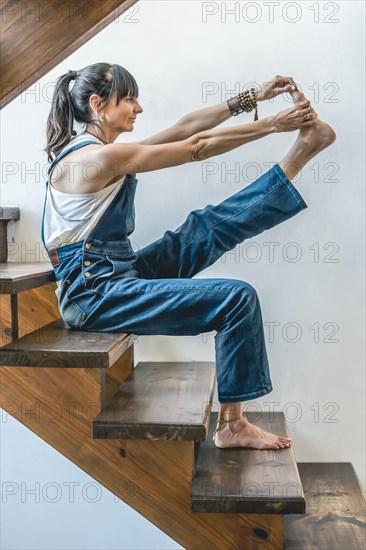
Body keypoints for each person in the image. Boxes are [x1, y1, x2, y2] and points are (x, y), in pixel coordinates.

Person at [42, 62, 336, 450]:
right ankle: (232, 424)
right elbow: (196, 147)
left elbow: (185, 129)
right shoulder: (91, 161)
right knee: (236, 298)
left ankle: (299, 155)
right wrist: (273, 125)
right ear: (98, 104)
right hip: (93, 295)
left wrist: (253, 97)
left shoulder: (104, 152)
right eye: (129, 99)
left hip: (114, 273)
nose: (138, 108)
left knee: (203, 229)